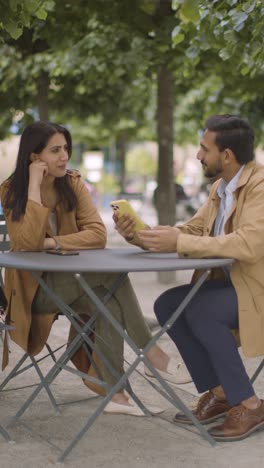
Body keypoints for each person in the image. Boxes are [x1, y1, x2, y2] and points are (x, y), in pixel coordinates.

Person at [0, 121, 188, 417]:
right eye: (55, 150)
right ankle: (151, 353)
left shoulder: (72, 183)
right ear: (34, 157)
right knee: (114, 276)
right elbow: (27, 242)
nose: (64, 156)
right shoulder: (12, 190)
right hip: (33, 292)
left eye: (66, 148)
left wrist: (52, 243)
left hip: (70, 284)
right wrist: (35, 184)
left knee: (110, 303)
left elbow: (97, 235)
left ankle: (117, 396)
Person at [114, 114, 264, 439]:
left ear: (226, 155)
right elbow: (191, 229)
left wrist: (179, 242)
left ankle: (250, 405)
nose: (198, 156)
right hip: (233, 286)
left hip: (257, 289)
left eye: (203, 148)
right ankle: (222, 394)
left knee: (202, 311)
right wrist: (139, 236)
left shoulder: (259, 187)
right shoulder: (220, 189)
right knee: (169, 303)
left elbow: (249, 243)